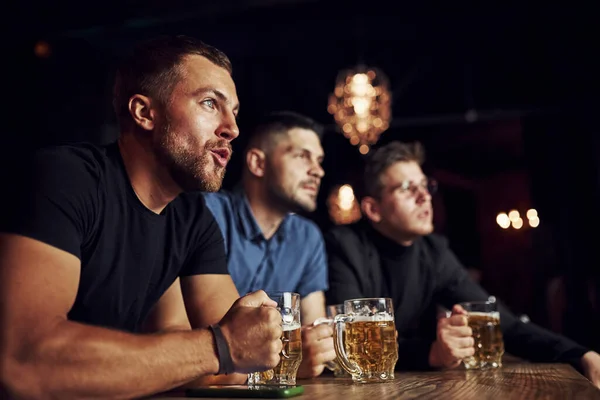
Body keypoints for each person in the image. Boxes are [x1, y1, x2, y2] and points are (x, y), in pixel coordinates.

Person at [0, 35, 284, 399]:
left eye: (235, 112)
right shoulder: (66, 179)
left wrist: (234, 349)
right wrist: (219, 348)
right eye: (210, 103)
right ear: (144, 113)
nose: (232, 128)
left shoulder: (191, 218)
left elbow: (233, 362)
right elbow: (23, 361)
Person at [325, 141, 600, 387]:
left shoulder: (434, 251)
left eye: (425, 186)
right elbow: (353, 342)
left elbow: (505, 324)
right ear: (374, 209)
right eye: (408, 189)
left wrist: (579, 354)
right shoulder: (344, 245)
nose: (424, 197)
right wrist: (431, 352)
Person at [204, 111, 336, 378]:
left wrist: (313, 350)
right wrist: (292, 363)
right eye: (302, 156)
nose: (318, 171)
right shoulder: (207, 213)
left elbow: (314, 334)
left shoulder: (307, 237)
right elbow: (196, 336)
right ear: (257, 163)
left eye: (319, 160)